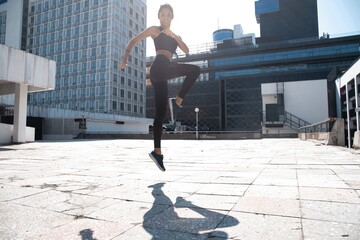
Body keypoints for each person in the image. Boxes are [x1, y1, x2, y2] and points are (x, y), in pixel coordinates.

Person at [120, 4, 200, 172]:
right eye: (162, 14)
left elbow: (186, 51)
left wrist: (175, 36)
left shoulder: (174, 35)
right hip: (158, 69)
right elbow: (134, 40)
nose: (165, 17)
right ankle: (177, 102)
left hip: (164, 73)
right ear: (159, 16)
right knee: (195, 70)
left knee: (160, 113)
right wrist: (125, 58)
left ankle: (157, 152)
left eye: (168, 15)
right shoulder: (155, 30)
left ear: (172, 17)